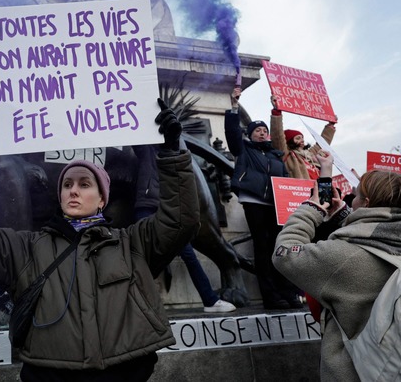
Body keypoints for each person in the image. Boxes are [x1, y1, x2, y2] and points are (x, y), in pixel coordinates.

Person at [0, 99, 201, 381]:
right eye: (67, 184)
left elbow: (181, 220)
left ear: (102, 199)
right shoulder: (26, 248)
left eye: (84, 184)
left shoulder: (133, 243)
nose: (73, 190)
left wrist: (172, 154)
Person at [272, 170, 401, 381]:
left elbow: (284, 253)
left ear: (366, 203)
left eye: (355, 195)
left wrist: (310, 210)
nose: (352, 198)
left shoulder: (341, 258)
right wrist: (346, 215)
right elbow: (376, 232)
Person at [133, 144, 235, 313]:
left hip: (169, 211)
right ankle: (135, 305)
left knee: (189, 255)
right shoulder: (146, 148)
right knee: (141, 258)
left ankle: (210, 300)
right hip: (147, 206)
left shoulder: (175, 153)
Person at [224, 86, 300, 309]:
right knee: (263, 247)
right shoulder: (244, 149)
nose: (262, 132)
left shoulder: (276, 155)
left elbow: (284, 176)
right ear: (250, 134)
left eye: (264, 129)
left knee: (281, 247)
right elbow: (232, 134)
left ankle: (288, 292)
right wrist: (234, 107)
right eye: (257, 130)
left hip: (277, 205)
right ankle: (271, 295)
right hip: (255, 202)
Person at [269, 95, 337, 180]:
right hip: (301, 191)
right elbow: (278, 136)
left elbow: (322, 143)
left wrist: (330, 125)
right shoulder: (287, 155)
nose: (302, 140)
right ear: (289, 141)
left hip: (317, 190)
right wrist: (277, 112)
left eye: (302, 138)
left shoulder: (309, 154)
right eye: (297, 138)